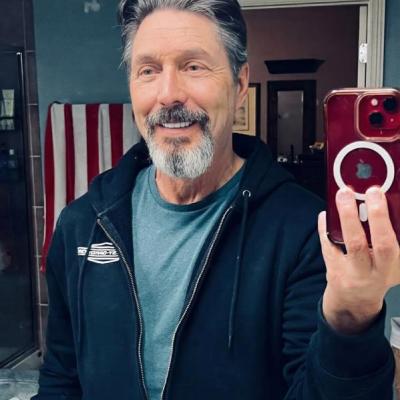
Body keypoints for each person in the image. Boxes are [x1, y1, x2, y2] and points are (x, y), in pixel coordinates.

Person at [33, 0, 398, 399]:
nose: (169, 95)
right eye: (148, 70)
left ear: (240, 84)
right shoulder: (84, 223)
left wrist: (351, 321)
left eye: (193, 66)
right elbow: (61, 379)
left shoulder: (307, 233)